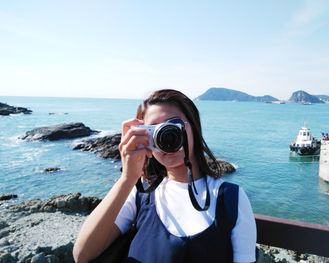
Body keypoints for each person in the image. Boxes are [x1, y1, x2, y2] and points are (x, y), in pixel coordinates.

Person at [73, 89, 256, 263]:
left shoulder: (231, 199)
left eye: (173, 125)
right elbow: (82, 255)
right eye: (154, 131)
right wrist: (128, 178)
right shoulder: (140, 194)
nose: (165, 136)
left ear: (194, 127)